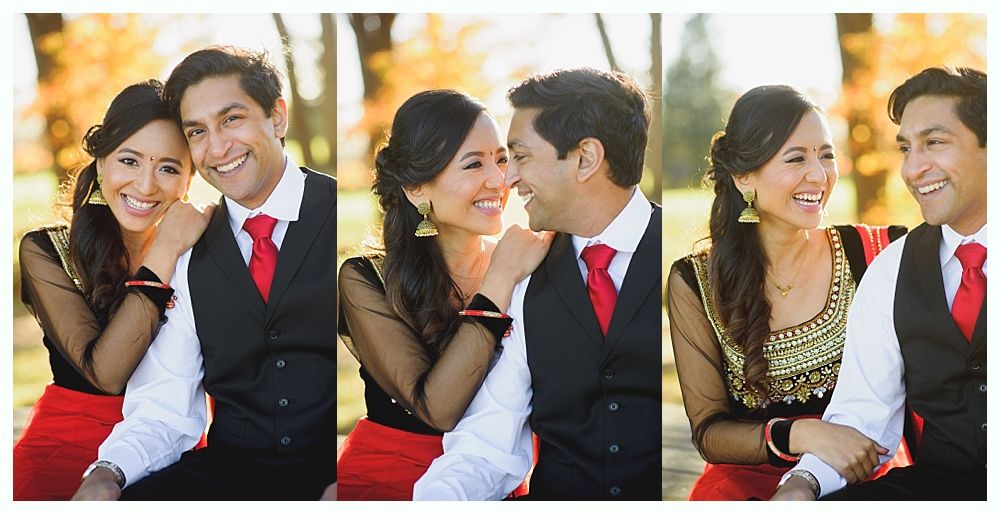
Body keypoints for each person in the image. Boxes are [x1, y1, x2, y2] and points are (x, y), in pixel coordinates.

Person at [71, 46, 336, 500]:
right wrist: (107, 473)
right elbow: (163, 407)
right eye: (197, 131)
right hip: (230, 475)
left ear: (277, 116)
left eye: (231, 119)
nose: (217, 148)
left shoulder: (338, 216)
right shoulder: (189, 249)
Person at [414, 68, 661, 500]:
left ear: (585, 158)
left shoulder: (682, 266)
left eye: (520, 156)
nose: (508, 179)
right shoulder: (527, 276)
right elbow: (486, 447)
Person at [666, 85, 909, 501]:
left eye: (826, 155)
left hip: (864, 469)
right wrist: (803, 434)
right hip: (746, 483)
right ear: (744, 176)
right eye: (796, 158)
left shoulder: (877, 253)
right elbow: (709, 431)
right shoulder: (696, 280)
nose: (819, 175)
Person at [772, 66, 986, 501]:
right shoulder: (892, 269)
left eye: (935, 142)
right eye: (906, 148)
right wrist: (802, 483)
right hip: (938, 488)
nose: (913, 169)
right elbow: (863, 413)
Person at [336, 90, 553, 500]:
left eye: (502, 159)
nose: (501, 180)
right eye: (473, 164)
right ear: (417, 187)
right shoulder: (366, 278)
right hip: (392, 479)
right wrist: (498, 281)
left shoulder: (525, 263)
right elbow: (436, 409)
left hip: (498, 479)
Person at [14, 80, 212, 500]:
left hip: (169, 446)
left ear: (188, 181)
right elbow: (105, 374)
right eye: (129, 160)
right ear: (102, 162)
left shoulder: (203, 256)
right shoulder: (47, 251)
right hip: (66, 442)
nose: (145, 185)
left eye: (168, 168)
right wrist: (164, 250)